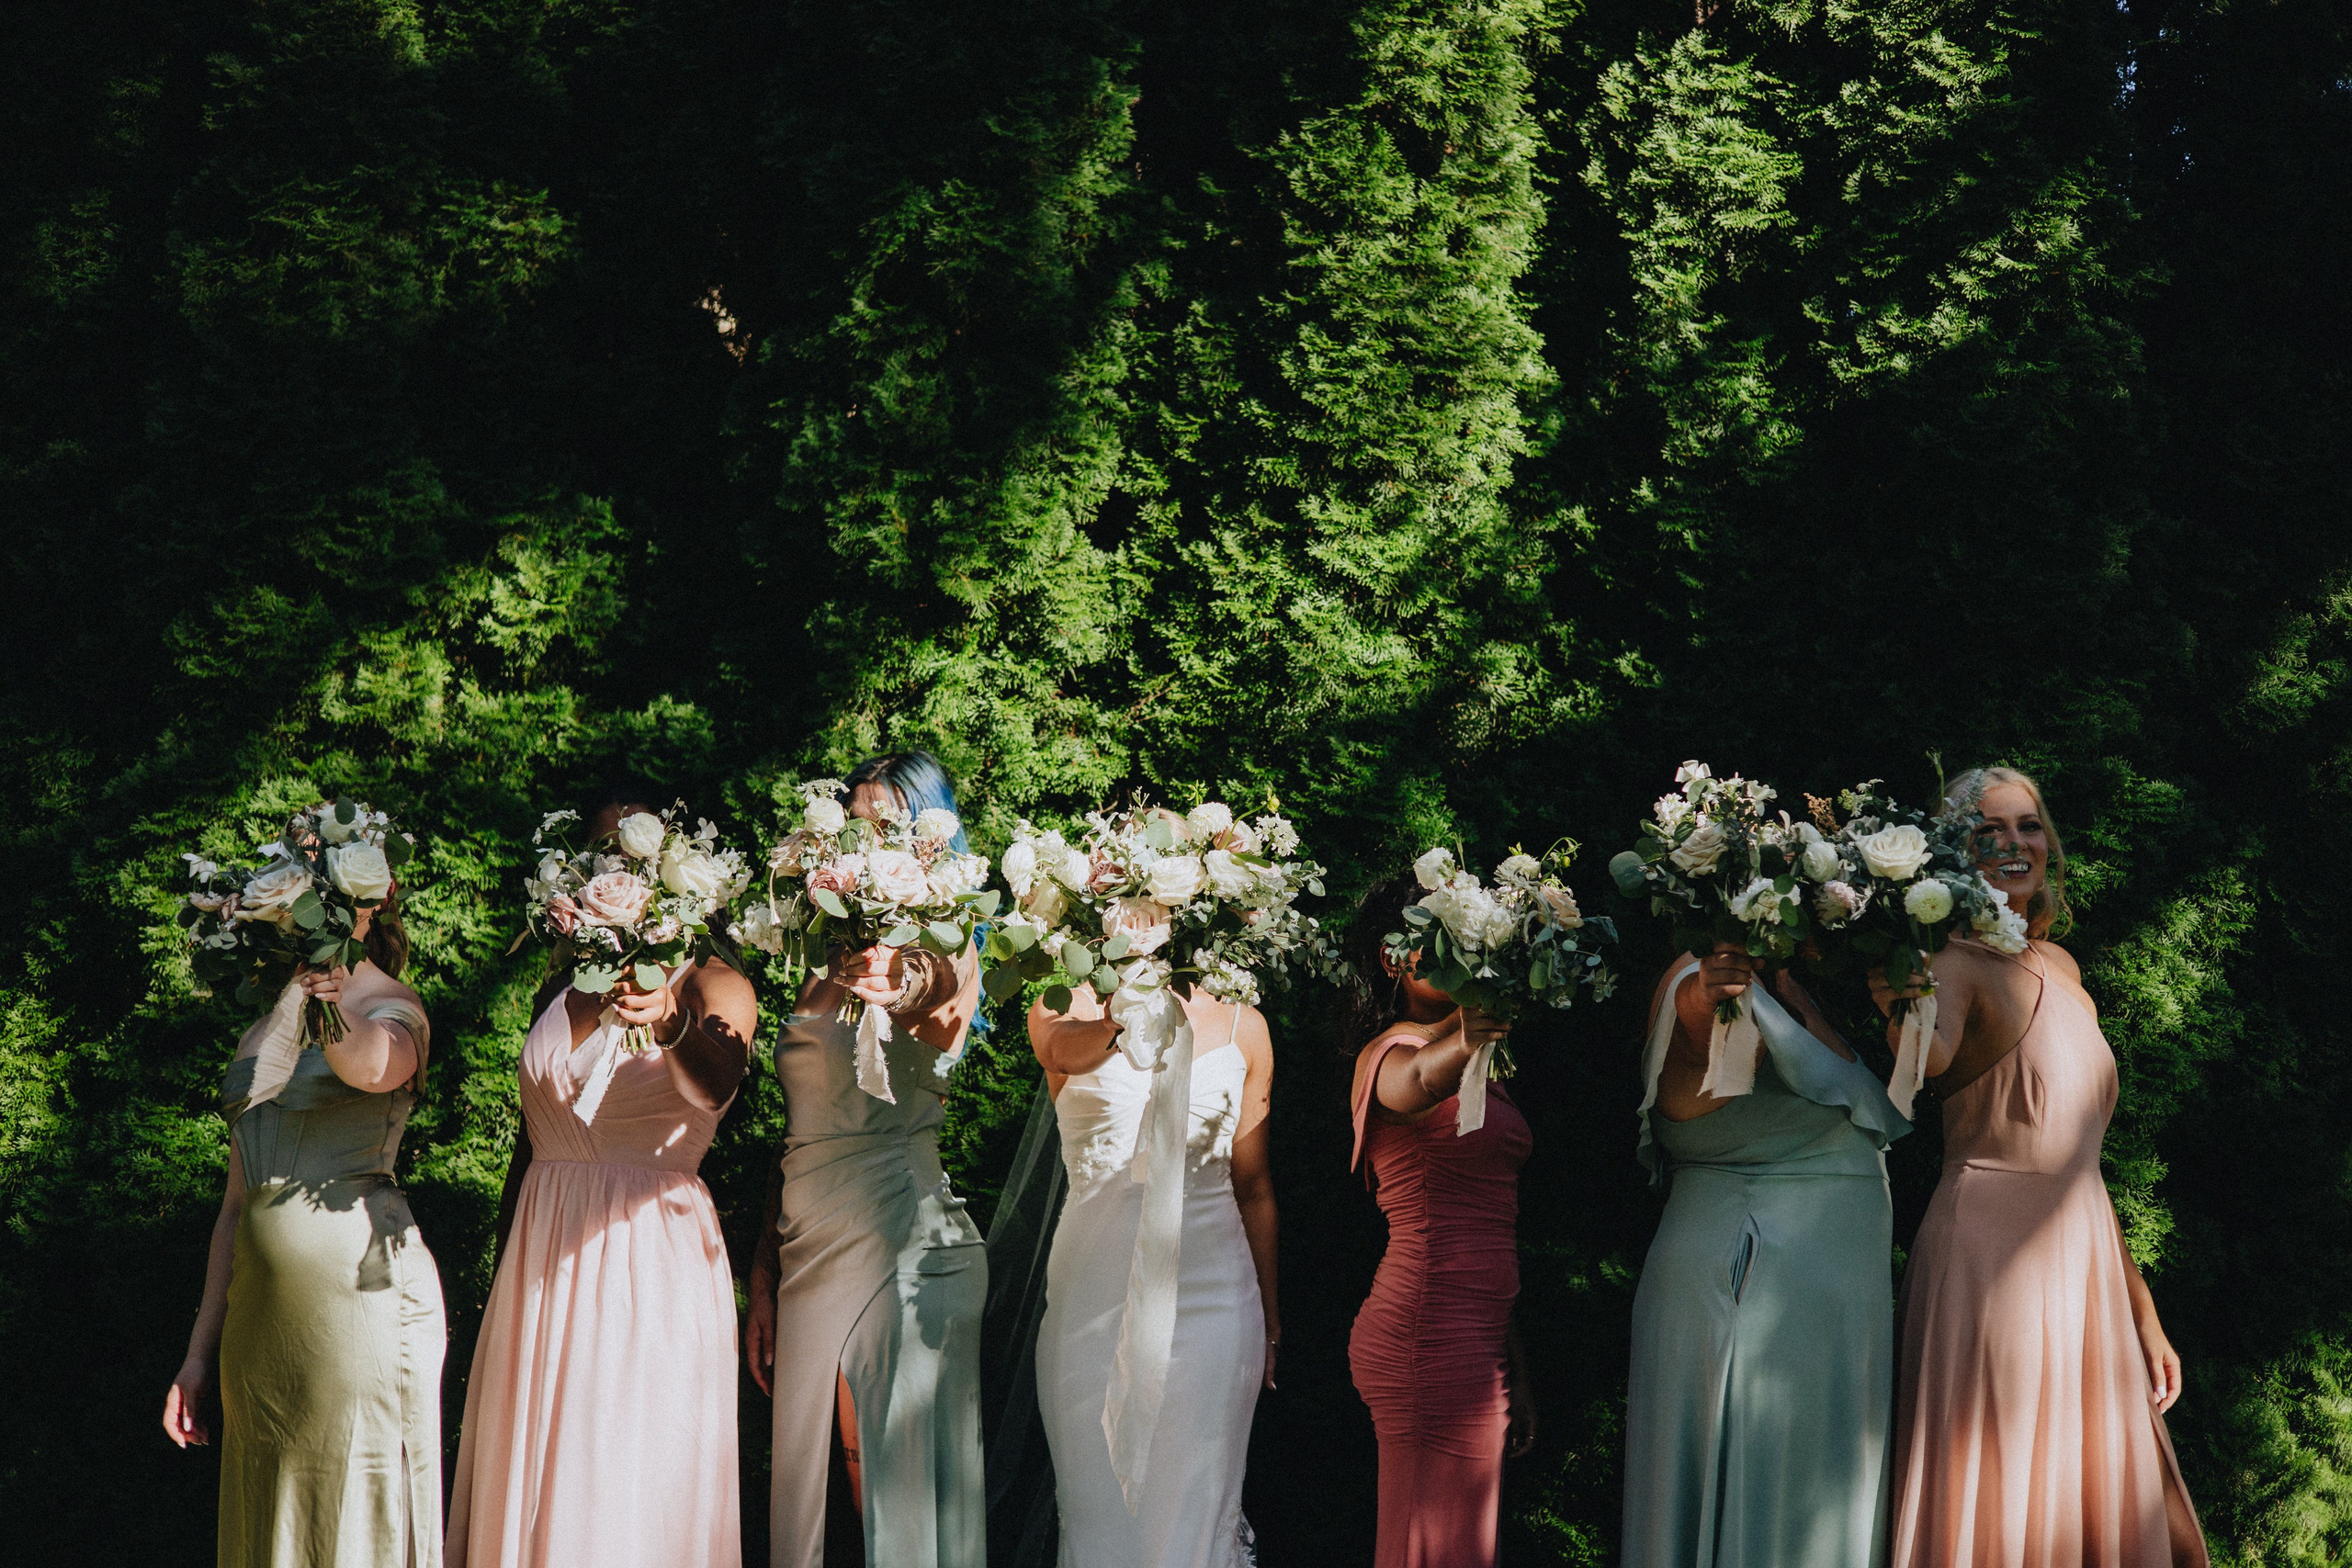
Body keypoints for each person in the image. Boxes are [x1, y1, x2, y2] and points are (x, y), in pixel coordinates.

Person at [1881, 766, 2207, 1568]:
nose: (2015, 843)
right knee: (2009, 1491)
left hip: (2085, 1261)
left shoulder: (2063, 967)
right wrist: (1898, 984)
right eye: (1988, 830)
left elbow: (2079, 1165)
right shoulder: (1947, 958)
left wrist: (2142, 1306)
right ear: (1955, 853)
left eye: (2028, 825)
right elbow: (1925, 1062)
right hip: (1994, 1265)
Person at [446, 779, 755, 1568]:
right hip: (542, 1263)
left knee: (619, 1476)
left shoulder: (713, 984)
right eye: (600, 852)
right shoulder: (563, 984)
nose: (611, 866)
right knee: (536, 1473)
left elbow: (719, 1080)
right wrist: (504, 1269)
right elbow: (534, 1136)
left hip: (645, 1264)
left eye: (632, 851)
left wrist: (674, 1021)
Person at [743, 750, 989, 1568]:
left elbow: (940, 1006)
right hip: (807, 1240)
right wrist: (765, 1266)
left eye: (885, 820)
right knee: (811, 1499)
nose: (863, 834)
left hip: (902, 1236)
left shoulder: (941, 945)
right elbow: (798, 1132)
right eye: (855, 817)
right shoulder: (820, 958)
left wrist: (903, 978)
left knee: (881, 1489)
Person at [163, 868, 444, 1568]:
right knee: (272, 1515)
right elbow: (235, 1205)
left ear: (368, 899)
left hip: (361, 1299)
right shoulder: (261, 1026)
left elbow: (372, 1065)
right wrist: (199, 1353)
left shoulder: (393, 1004)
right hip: (260, 1322)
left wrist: (330, 997)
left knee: (354, 1507)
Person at [1623, 938, 1911, 1568]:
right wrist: (1714, 992)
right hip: (1758, 1289)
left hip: (1825, 1316)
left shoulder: (1793, 987)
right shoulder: (1701, 979)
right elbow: (1700, 1062)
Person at [1026, 917, 1278, 1567]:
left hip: (1215, 1302)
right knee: (1098, 1517)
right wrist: (1125, 1020)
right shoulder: (1064, 1006)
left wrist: (1271, 1321)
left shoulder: (1242, 1022)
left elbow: (1253, 1186)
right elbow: (1060, 1052)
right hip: (1092, 1300)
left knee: (1195, 1516)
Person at [1341, 874, 1536, 1568]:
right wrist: (1466, 1033)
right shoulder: (1391, 1053)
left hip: (1474, 1340)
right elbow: (1418, 1080)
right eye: (1444, 941)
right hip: (1425, 1335)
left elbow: (1482, 1221)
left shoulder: (1480, 1055)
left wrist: (1508, 1356)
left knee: (1452, 1549)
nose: (1463, 954)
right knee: (1428, 1549)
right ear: (1398, 959)